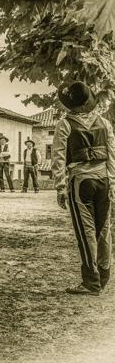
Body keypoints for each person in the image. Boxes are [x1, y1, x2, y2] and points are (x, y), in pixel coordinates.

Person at [52, 81, 114, 295]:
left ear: (71, 105)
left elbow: (59, 156)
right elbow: (112, 155)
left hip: (81, 181)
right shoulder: (104, 123)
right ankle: (104, 274)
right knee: (104, 228)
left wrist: (60, 186)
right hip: (104, 179)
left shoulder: (65, 124)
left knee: (86, 231)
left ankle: (91, 281)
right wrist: (113, 183)